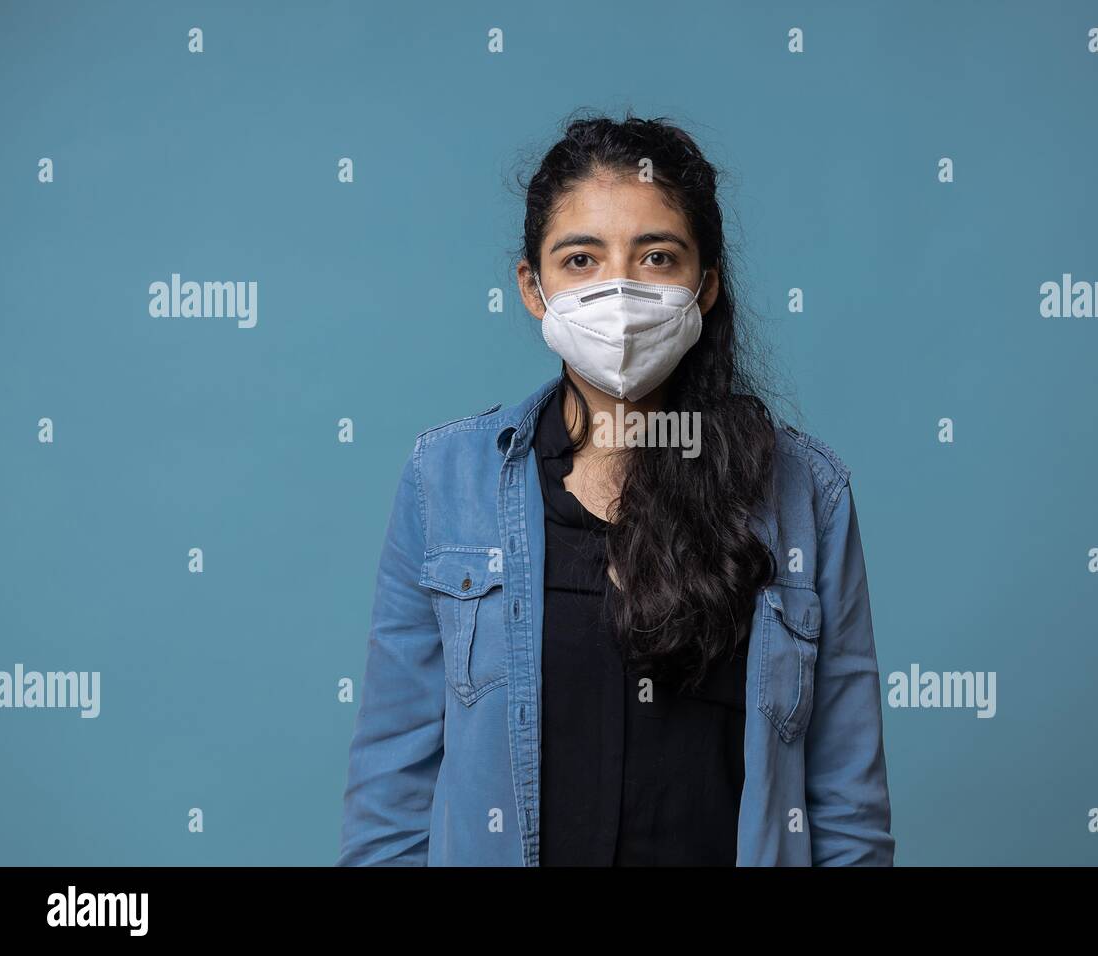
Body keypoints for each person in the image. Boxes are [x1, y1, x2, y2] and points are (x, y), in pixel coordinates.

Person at [338, 112, 894, 866]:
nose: (619, 292)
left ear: (705, 286)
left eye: (657, 256)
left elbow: (847, 813)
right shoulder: (446, 481)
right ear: (533, 288)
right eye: (581, 260)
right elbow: (389, 802)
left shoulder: (805, 495)